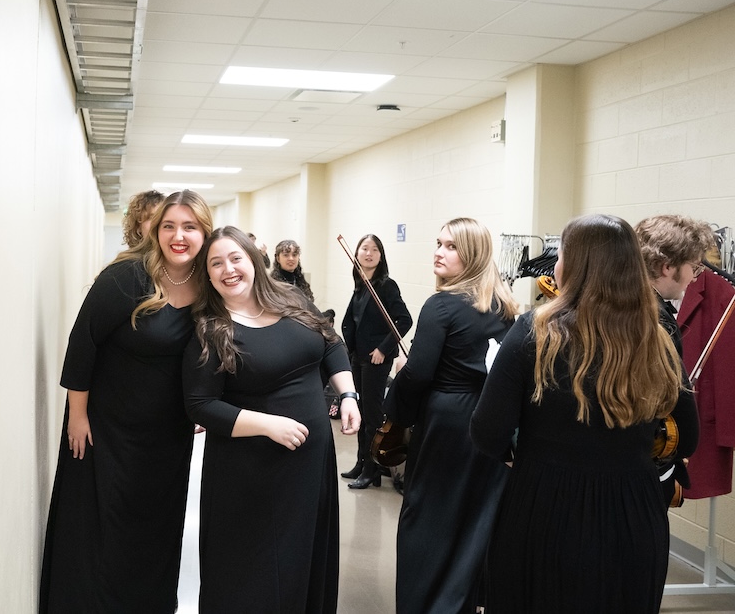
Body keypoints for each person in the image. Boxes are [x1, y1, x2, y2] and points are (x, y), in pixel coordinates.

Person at [470, 214, 692, 613]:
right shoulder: (658, 338)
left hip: (544, 507)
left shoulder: (534, 332)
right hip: (634, 511)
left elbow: (487, 431)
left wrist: (523, 454)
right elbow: (687, 436)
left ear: (573, 266)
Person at [39, 190, 213, 613]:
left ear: (205, 232)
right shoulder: (128, 277)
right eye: (169, 225)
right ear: (154, 229)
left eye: (189, 227)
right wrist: (76, 416)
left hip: (167, 438)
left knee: (154, 531)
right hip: (105, 429)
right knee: (101, 530)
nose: (178, 236)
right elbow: (83, 344)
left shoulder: (209, 286)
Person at [183, 226, 361, 613]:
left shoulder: (290, 297)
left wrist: (347, 393)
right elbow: (200, 404)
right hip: (249, 472)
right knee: (254, 572)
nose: (228, 269)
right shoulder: (211, 326)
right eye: (216, 263)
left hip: (309, 465)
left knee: (303, 559)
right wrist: (268, 424)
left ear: (253, 260)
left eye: (235, 258)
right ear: (207, 274)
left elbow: (330, 341)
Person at [383, 217, 518, 614]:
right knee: (475, 518)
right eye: (438, 243)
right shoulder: (504, 306)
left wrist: (396, 399)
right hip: (490, 419)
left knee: (427, 516)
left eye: (451, 246)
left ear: (472, 254)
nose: (439, 252)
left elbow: (419, 373)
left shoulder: (441, 304)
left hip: (447, 420)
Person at [635, 214, 711, 506]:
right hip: (647, 466)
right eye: (693, 267)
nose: (694, 277)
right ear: (667, 267)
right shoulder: (657, 321)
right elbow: (676, 400)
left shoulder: (618, 303)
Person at [341, 233, 413, 489]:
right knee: (361, 413)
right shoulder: (361, 283)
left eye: (374, 250)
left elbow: (404, 320)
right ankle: (362, 462)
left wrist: (383, 349)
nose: (368, 253)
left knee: (372, 417)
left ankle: (372, 469)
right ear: (357, 253)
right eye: (364, 248)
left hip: (375, 360)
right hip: (358, 357)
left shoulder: (386, 285)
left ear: (381, 256)